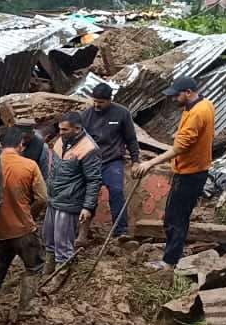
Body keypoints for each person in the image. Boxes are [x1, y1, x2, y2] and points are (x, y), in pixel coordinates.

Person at [136, 76, 216, 272]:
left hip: (191, 173)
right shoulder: (204, 103)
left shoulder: (197, 113)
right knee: (176, 216)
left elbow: (179, 147)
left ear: (188, 92)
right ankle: (173, 251)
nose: (173, 99)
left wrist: (150, 163)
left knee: (175, 218)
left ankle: (169, 262)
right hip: (193, 169)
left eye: (176, 95)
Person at [0, 127, 49, 324]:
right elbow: (43, 198)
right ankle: (26, 310)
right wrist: (29, 214)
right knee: (34, 266)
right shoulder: (30, 166)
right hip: (23, 229)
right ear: (21, 144)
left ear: (0, 145)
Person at [43, 111, 102, 270]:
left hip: (70, 202)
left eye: (64, 130)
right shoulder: (60, 141)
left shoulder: (89, 149)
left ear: (77, 129)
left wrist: (88, 207)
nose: (60, 133)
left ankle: (61, 274)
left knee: (62, 243)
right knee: (49, 238)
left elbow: (93, 180)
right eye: (60, 129)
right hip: (54, 198)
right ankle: (48, 270)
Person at [83, 83, 142, 237]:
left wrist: (136, 161)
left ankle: (121, 231)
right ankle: (82, 231)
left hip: (113, 162)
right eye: (94, 101)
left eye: (100, 102)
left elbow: (131, 139)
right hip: (91, 163)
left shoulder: (122, 113)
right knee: (88, 196)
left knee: (116, 191)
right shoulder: (86, 116)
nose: (96, 105)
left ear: (109, 100)